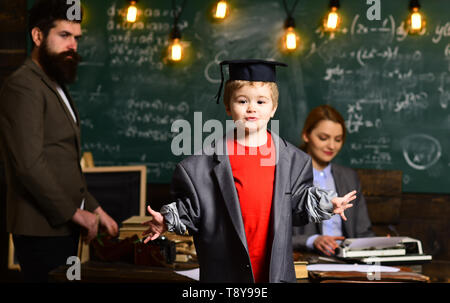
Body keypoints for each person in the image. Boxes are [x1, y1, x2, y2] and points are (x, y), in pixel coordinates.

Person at [142, 59, 356, 283]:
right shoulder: (198, 166)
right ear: (228, 106)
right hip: (225, 276)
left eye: (261, 101)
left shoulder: (295, 160)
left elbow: (299, 204)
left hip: (275, 275)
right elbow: (191, 210)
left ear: (273, 108)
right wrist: (167, 220)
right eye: (242, 100)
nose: (252, 108)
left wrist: (327, 204)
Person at [0, 0, 118, 282]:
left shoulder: (54, 82)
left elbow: (62, 161)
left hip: (63, 226)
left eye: (76, 38)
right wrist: (76, 215)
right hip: (41, 230)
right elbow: (29, 165)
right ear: (38, 36)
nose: (73, 45)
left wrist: (95, 209)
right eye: (64, 35)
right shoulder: (23, 86)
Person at [292, 105, 375, 257]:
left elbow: (363, 232)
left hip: (347, 261)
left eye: (338, 139)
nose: (331, 146)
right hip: (305, 260)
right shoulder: (289, 175)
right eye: (323, 138)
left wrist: (382, 245)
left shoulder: (349, 177)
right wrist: (312, 240)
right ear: (306, 135)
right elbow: (275, 235)